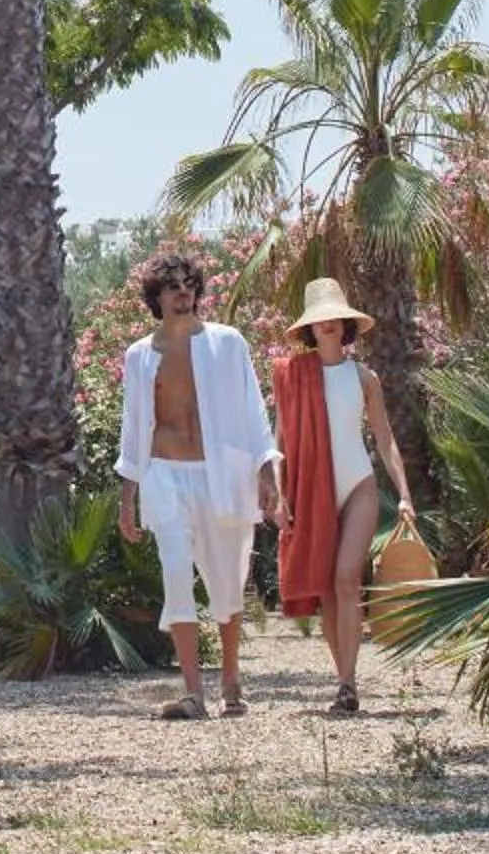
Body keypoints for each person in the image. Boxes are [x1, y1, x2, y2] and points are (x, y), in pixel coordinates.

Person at [113, 248, 278, 719]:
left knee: (227, 581)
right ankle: (192, 692)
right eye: (172, 286)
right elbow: (133, 427)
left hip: (221, 474)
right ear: (157, 298)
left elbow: (253, 413)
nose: (183, 291)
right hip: (165, 475)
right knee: (175, 577)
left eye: (189, 284)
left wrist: (267, 474)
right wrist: (128, 497)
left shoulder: (228, 343)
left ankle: (230, 681)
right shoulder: (140, 356)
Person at [272, 277, 414, 716]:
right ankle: (343, 682)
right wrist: (279, 496)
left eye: (335, 317)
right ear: (309, 330)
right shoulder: (292, 377)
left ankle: (349, 684)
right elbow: (278, 443)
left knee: (347, 578)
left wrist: (405, 495)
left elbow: (385, 438)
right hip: (310, 491)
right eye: (320, 320)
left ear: (346, 324)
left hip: (358, 486)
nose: (328, 325)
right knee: (329, 590)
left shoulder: (364, 376)